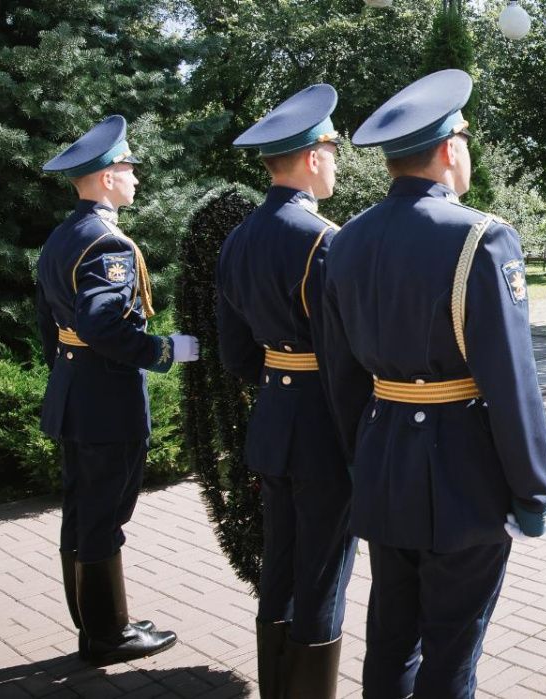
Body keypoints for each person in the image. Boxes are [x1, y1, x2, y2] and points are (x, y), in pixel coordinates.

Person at [316, 69, 546, 697]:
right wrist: (532, 490)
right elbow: (511, 378)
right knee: (451, 653)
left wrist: (360, 460)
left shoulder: (345, 241)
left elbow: (340, 378)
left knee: (392, 641)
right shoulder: (481, 237)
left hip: (384, 461)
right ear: (451, 149)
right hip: (463, 475)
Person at [37, 115, 196, 664]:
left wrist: (67, 373)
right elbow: (105, 325)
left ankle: (96, 622)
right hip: (106, 402)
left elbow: (49, 324)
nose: (135, 177)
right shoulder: (110, 243)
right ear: (106, 176)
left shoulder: (63, 236)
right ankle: (109, 636)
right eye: (128, 167)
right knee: (104, 514)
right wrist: (163, 351)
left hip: (74, 391)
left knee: (82, 510)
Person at [217, 84, 355, 697]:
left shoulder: (238, 239)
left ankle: (277, 687)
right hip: (323, 425)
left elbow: (235, 353)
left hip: (273, 418)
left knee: (280, 567)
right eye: (332, 148)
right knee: (322, 571)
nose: (335, 161)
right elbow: (344, 356)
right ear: (312, 156)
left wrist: (280, 381)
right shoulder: (322, 239)